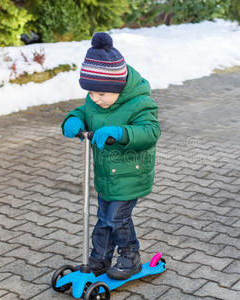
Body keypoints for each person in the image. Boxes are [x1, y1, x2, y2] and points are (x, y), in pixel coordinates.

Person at [61, 32, 161, 280]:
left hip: (131, 174)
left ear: (117, 87)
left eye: (101, 95)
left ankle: (131, 257)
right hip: (106, 175)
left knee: (117, 218)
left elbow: (151, 131)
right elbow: (84, 111)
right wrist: (74, 119)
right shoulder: (97, 98)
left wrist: (119, 132)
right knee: (104, 218)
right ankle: (100, 259)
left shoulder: (139, 103)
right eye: (91, 93)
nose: (95, 99)